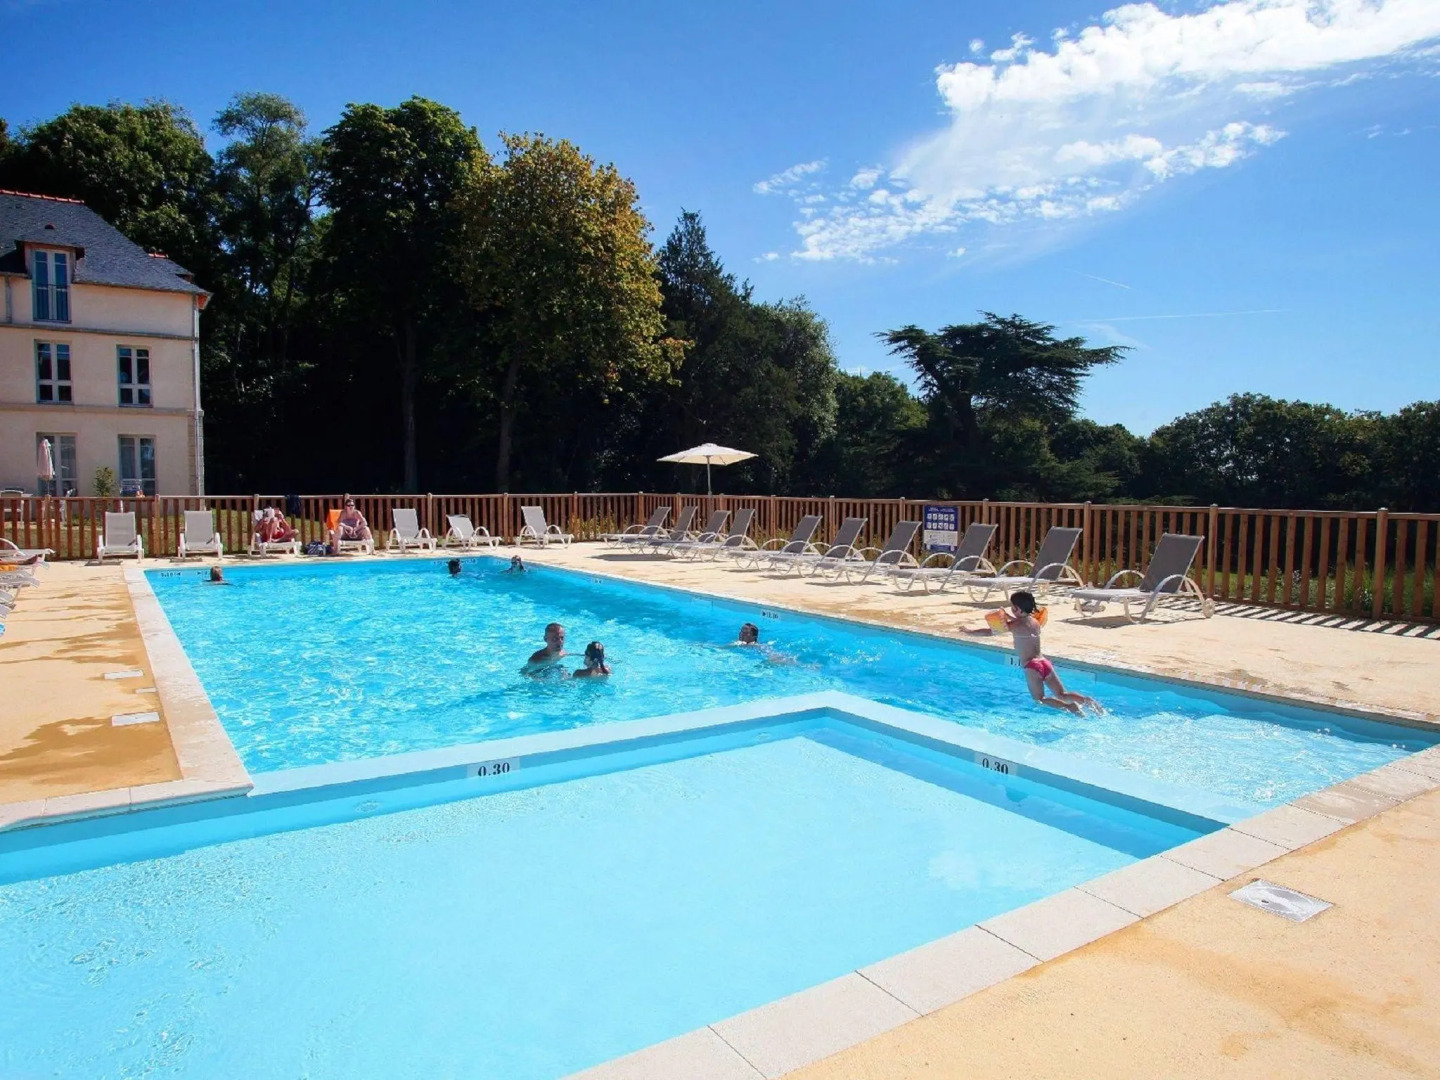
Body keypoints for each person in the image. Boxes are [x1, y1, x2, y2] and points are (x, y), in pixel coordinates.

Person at [968, 591, 1101, 716]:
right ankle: (1086, 700)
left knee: (1039, 699)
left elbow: (991, 631)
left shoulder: (1016, 625)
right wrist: (1009, 617)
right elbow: (1020, 620)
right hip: (1044, 663)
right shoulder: (1035, 622)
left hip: (1032, 666)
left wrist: (969, 632)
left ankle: (1070, 707)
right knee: (1062, 694)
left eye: (1013, 608)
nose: (1012, 610)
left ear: (1018, 609)